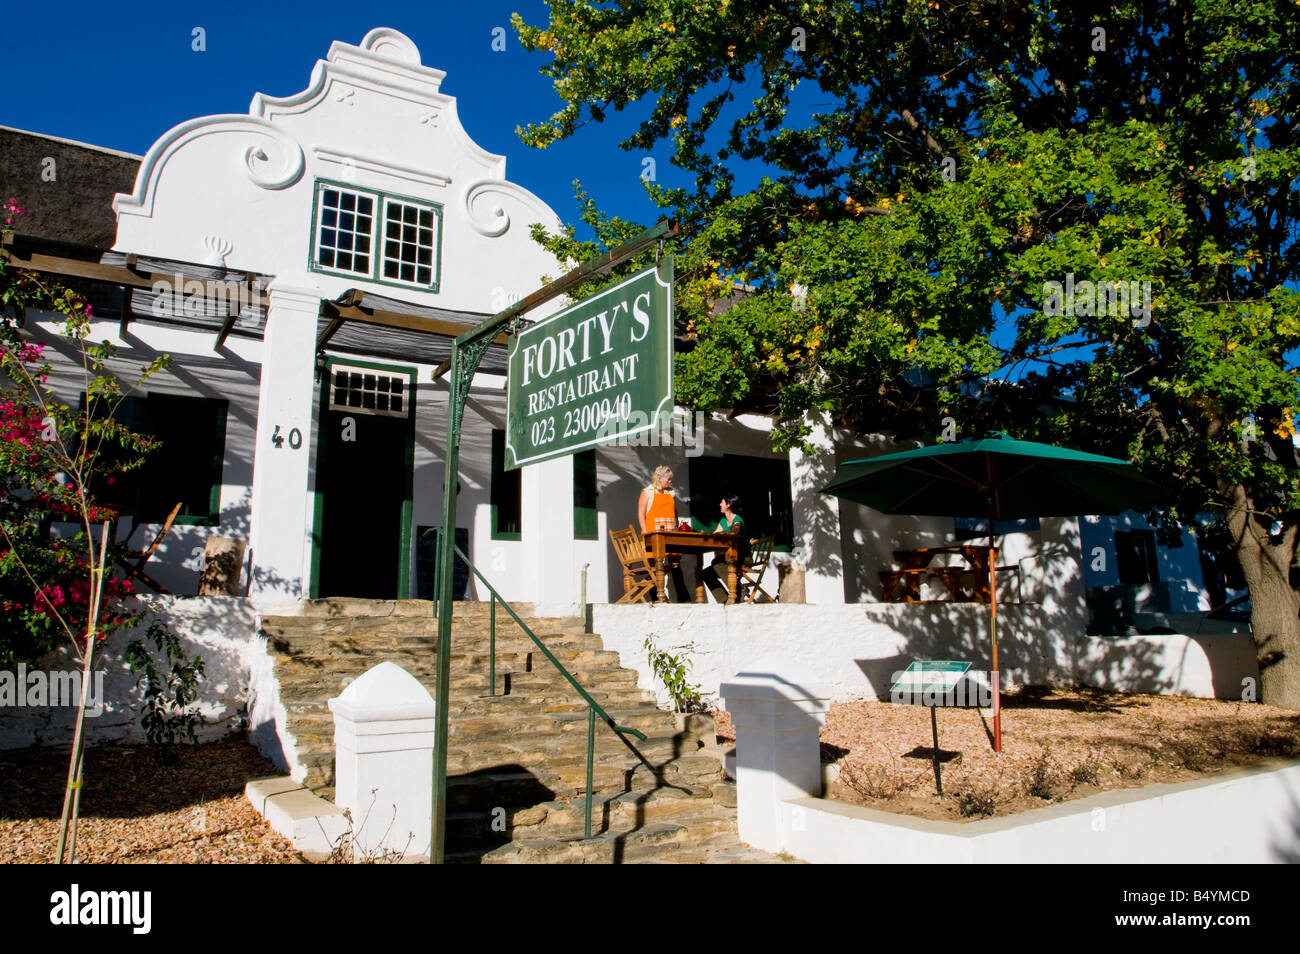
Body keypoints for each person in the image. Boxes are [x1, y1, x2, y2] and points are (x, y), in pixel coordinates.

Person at [637, 465, 687, 601]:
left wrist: (676, 528)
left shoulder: (671, 493)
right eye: (668, 479)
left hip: (670, 535)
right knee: (655, 568)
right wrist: (646, 532)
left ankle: (684, 599)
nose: (670, 482)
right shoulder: (647, 492)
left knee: (676, 567)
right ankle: (656, 599)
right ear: (659, 477)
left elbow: (675, 512)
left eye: (671, 479)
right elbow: (641, 514)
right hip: (653, 535)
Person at [699, 493, 747, 602]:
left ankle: (738, 589)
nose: (720, 504)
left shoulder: (737, 519)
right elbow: (715, 534)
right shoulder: (723, 521)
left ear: (728, 505)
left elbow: (735, 532)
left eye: (722, 502)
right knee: (706, 573)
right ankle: (724, 600)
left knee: (717, 563)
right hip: (728, 556)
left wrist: (723, 533)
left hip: (741, 556)